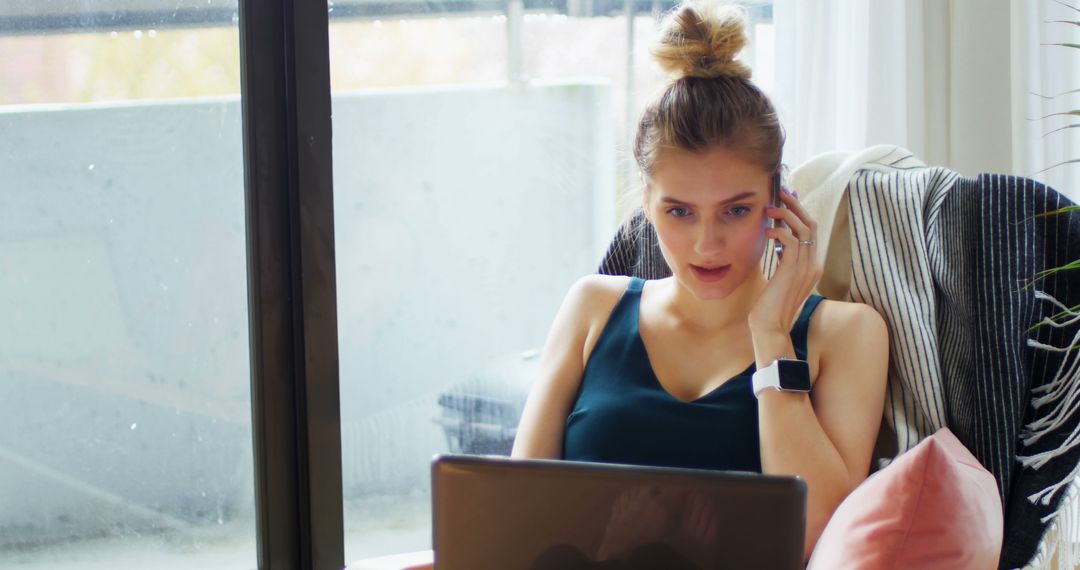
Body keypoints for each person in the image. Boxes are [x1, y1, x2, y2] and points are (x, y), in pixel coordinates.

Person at [510, 0, 890, 561]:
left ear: (778, 201)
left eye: (736, 211)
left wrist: (770, 336)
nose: (707, 245)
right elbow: (514, 514)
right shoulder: (593, 306)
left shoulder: (846, 334)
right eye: (679, 212)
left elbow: (816, 537)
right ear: (645, 203)